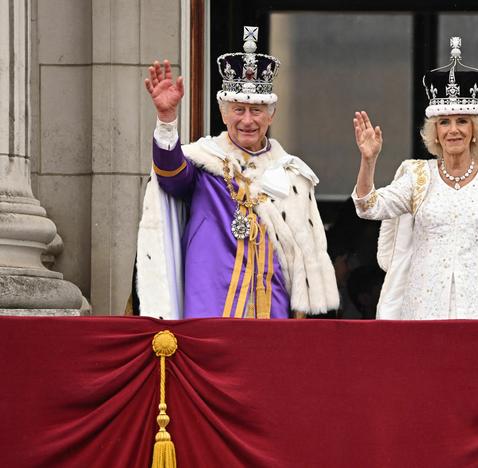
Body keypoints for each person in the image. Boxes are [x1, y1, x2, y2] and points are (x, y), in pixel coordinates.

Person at [135, 26, 338, 319]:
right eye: (238, 109)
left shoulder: (292, 175)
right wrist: (167, 121)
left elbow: (303, 258)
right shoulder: (205, 163)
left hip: (273, 309)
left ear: (271, 115)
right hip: (210, 306)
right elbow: (171, 176)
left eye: (256, 110)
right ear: (223, 112)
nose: (247, 120)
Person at [351, 37, 478, 320]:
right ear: (434, 131)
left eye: (461, 121)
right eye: (444, 122)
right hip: (425, 308)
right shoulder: (417, 175)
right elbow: (368, 206)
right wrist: (368, 160)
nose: (453, 130)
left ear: (474, 128)